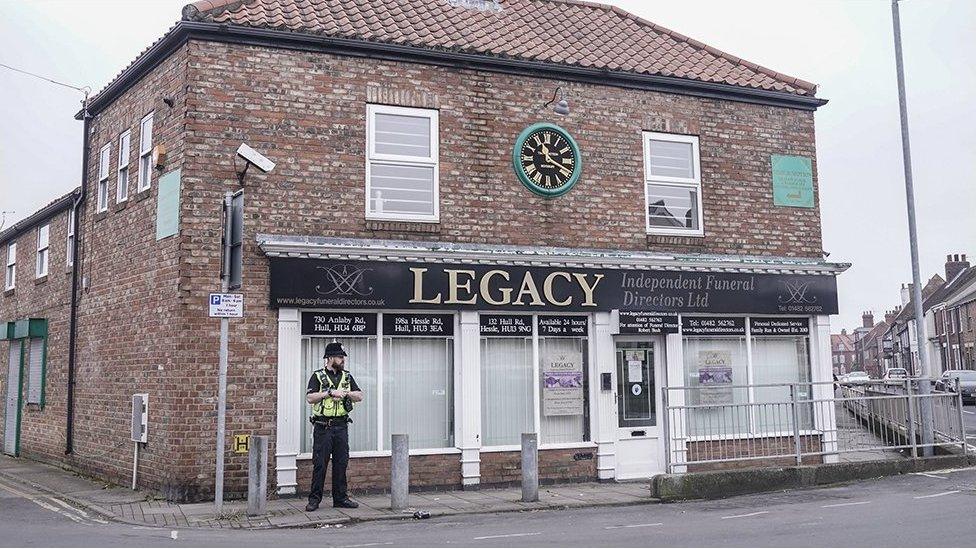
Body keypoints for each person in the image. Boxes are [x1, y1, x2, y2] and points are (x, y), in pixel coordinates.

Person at [305, 341, 363, 511]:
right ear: (330, 358)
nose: (342, 359)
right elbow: (310, 398)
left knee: (341, 463)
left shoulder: (347, 376)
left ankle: (340, 498)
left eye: (343, 356)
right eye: (339, 356)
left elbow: (359, 396)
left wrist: (346, 393)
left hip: (341, 426)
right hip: (323, 427)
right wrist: (329, 393)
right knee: (320, 464)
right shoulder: (317, 376)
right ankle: (314, 500)